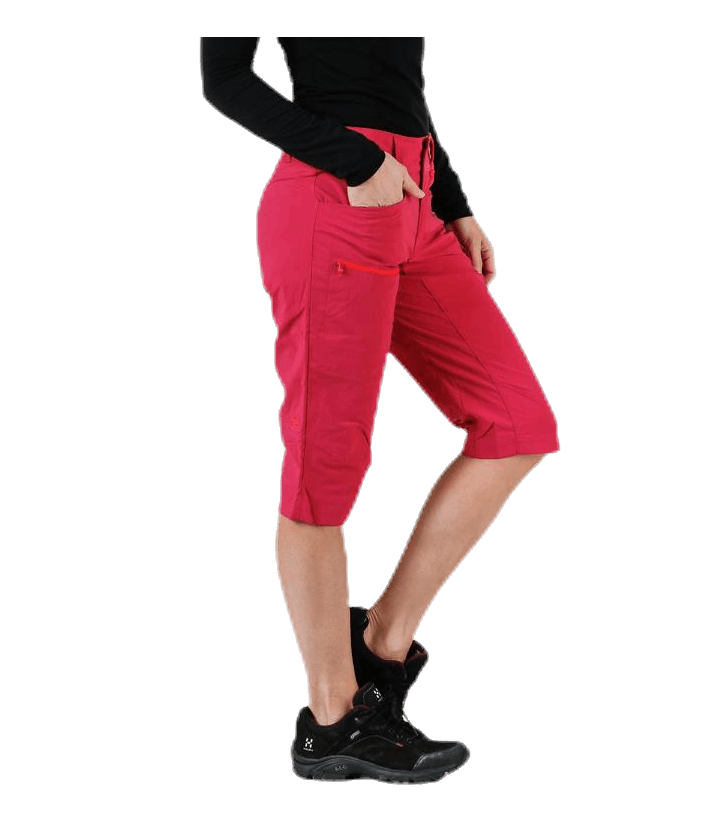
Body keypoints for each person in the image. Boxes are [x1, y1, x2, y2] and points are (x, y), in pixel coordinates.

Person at [200, 37, 560, 783]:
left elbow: (398, 87)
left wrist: (455, 205)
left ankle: (382, 643)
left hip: (413, 202)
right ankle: (331, 719)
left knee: (517, 424)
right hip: (336, 198)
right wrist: (360, 163)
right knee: (326, 465)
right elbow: (224, 77)